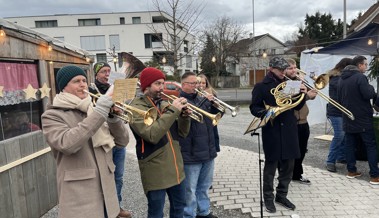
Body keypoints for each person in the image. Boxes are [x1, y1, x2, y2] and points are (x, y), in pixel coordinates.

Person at [41, 65, 129, 218]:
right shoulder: (52, 115)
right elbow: (67, 144)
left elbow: (122, 141)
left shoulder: (93, 107)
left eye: (84, 80)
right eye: (76, 81)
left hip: (107, 192)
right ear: (64, 86)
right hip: (80, 194)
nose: (83, 84)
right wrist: (99, 113)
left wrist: (113, 119)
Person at [129, 67, 191, 218]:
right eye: (157, 83)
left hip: (176, 167)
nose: (162, 88)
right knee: (156, 213)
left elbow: (182, 133)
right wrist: (173, 112)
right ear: (146, 86)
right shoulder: (136, 107)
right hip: (155, 169)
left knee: (179, 209)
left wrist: (184, 117)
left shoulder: (164, 104)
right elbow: (152, 135)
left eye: (163, 83)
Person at [250, 56, 306, 213]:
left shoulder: (289, 83)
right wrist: (266, 112)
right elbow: (254, 107)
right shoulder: (261, 86)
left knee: (289, 165)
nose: (283, 72)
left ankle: (282, 195)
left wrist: (303, 94)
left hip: (289, 129)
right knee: (271, 166)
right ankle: (268, 197)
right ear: (271, 69)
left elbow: (297, 105)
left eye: (285, 69)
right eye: (280, 70)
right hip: (272, 129)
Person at [89, 62, 132, 218]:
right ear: (96, 74)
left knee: (118, 177)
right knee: (103, 178)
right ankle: (102, 210)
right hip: (102, 140)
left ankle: (116, 207)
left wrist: (123, 108)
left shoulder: (116, 88)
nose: (107, 74)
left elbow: (125, 112)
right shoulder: (91, 90)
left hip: (118, 139)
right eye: (103, 72)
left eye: (108, 71)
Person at [179, 72, 218, 218]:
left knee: (204, 186)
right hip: (191, 152)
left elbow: (214, 115)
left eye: (198, 82)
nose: (197, 86)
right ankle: (188, 214)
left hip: (208, 150)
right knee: (189, 189)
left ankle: (204, 211)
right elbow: (191, 117)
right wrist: (204, 100)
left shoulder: (201, 98)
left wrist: (214, 103)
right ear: (183, 85)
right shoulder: (179, 100)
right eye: (193, 83)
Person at [338, 55, 379, 185]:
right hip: (362, 118)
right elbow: (368, 94)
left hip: (348, 117)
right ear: (359, 65)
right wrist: (372, 89)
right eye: (365, 65)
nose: (366, 67)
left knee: (350, 145)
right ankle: (374, 176)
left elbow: (339, 98)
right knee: (370, 145)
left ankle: (351, 171)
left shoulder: (341, 79)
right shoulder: (360, 77)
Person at [285, 58, 317, 184]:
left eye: (295, 67)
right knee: (293, 152)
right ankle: (290, 174)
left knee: (302, 150)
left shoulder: (299, 81)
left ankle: (296, 173)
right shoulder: (287, 83)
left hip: (303, 121)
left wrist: (311, 93)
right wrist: (307, 95)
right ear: (285, 70)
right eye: (290, 68)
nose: (294, 70)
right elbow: (293, 103)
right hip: (293, 123)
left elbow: (307, 97)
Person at [325, 58, 352, 172]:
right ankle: (330, 161)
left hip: (341, 110)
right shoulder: (337, 78)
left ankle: (341, 157)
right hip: (336, 111)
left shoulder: (340, 77)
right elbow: (340, 94)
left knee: (344, 134)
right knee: (339, 135)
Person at [197, 74, 221, 152]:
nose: (201, 85)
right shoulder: (194, 94)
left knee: (211, 150)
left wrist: (213, 103)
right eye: (199, 82)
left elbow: (219, 112)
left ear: (206, 84)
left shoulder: (212, 94)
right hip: (199, 125)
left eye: (203, 83)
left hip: (211, 124)